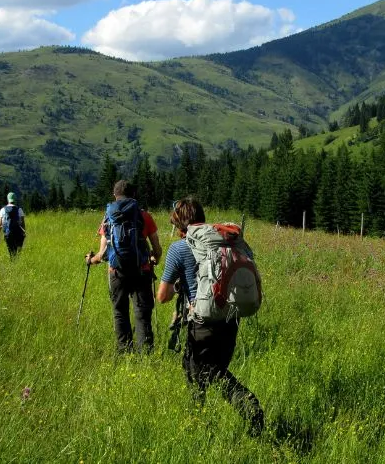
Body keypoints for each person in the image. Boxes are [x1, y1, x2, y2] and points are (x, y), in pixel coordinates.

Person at [157, 196, 264, 436]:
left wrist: (177, 287)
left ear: (179, 224)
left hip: (202, 323)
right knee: (215, 370)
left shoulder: (179, 248)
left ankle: (243, 409)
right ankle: (207, 424)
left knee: (201, 374)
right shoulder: (221, 244)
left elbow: (162, 296)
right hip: (230, 318)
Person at [86, 180, 162, 354]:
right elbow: (157, 248)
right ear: (134, 195)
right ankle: (146, 355)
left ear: (114, 195)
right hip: (142, 271)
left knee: (120, 312)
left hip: (116, 272)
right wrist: (154, 259)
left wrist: (90, 260)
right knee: (142, 314)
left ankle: (124, 352)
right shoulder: (144, 216)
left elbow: (102, 254)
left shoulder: (108, 219)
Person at [0, 192, 25, 258]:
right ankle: (17, 264)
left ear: (8, 199)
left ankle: (13, 263)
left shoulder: (3, 210)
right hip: (18, 234)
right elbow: (22, 224)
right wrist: (24, 233)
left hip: (8, 234)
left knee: (11, 253)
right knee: (18, 253)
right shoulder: (19, 209)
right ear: (15, 199)